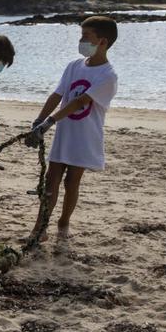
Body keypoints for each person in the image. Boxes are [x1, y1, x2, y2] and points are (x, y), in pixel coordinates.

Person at [25, 16, 119, 242]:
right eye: (81, 35)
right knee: (51, 178)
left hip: (84, 136)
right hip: (64, 132)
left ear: (102, 41)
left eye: (87, 36)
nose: (81, 40)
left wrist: (49, 122)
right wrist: (39, 119)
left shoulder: (108, 76)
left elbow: (79, 102)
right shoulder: (73, 66)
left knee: (71, 182)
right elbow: (58, 95)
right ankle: (40, 227)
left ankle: (64, 222)